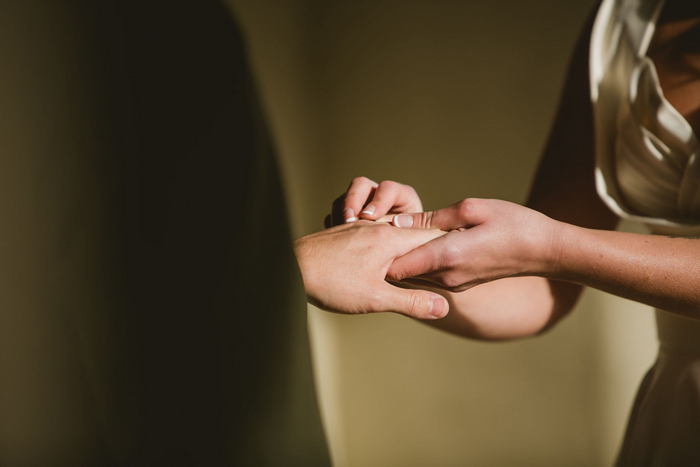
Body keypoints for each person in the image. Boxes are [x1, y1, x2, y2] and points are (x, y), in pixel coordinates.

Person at [294, 0, 700, 463]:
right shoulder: (622, 22)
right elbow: (543, 288)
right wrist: (408, 252)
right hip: (676, 409)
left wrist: (552, 245)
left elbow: (551, 255)